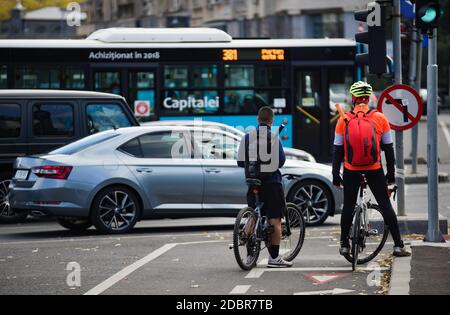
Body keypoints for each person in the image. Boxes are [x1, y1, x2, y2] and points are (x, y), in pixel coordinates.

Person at [332, 81, 411, 258]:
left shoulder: (343, 119)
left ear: (353, 98)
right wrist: (390, 175)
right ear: (368, 99)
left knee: (348, 206)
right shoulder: (380, 118)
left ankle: (344, 243)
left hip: (350, 169)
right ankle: (398, 245)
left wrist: (335, 174)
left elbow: (337, 150)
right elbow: (388, 149)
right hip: (374, 168)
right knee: (385, 205)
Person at [237, 106, 293, 268]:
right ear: (272, 121)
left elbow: (240, 162)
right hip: (271, 183)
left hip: (252, 182)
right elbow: (281, 161)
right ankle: (274, 259)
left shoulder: (247, 137)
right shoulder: (273, 137)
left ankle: (249, 256)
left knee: (253, 215)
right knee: (275, 219)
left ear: (257, 119)